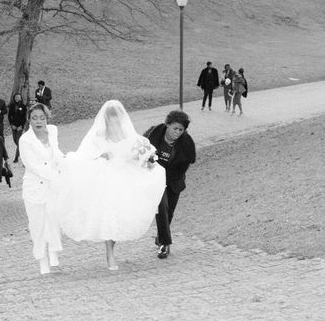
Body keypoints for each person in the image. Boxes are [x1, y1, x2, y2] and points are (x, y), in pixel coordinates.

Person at [50, 100, 166, 271]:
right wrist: (101, 156)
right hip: (106, 179)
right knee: (109, 213)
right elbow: (87, 154)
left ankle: (112, 248)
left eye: (118, 118)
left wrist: (145, 159)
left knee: (120, 214)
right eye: (112, 119)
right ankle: (109, 253)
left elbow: (137, 153)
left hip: (125, 177)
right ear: (106, 119)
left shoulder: (130, 137)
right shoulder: (98, 136)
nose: (116, 122)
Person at [144, 110, 196, 259]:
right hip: (155, 181)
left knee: (169, 212)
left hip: (174, 180)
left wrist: (166, 178)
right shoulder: (152, 135)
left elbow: (184, 166)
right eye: (175, 128)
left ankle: (160, 237)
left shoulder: (186, 144)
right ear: (167, 125)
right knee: (162, 207)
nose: (177, 132)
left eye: (181, 130)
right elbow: (139, 151)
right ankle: (165, 244)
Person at [19, 103, 64, 275]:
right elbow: (33, 166)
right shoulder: (25, 140)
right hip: (34, 188)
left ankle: (53, 251)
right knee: (37, 225)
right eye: (34, 118)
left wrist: (66, 164)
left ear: (47, 118)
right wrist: (55, 176)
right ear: (29, 120)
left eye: (42, 117)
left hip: (52, 187)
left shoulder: (52, 131)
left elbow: (57, 153)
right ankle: (41, 259)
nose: (38, 121)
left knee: (53, 219)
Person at [8, 93, 28, 163]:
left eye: (18, 97)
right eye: (16, 97)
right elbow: (9, 116)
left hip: (20, 127)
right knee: (15, 140)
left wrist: (21, 126)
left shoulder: (23, 106)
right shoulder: (12, 106)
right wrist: (11, 124)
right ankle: (23, 149)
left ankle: (16, 157)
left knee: (18, 141)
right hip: (14, 126)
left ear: (20, 98)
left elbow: (24, 117)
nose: (17, 98)